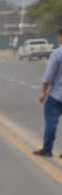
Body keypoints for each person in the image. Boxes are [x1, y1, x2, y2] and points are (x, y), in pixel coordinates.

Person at [33, 27, 62, 157]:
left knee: (51, 120)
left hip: (56, 94)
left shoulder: (57, 53)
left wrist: (43, 92)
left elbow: (49, 75)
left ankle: (47, 148)